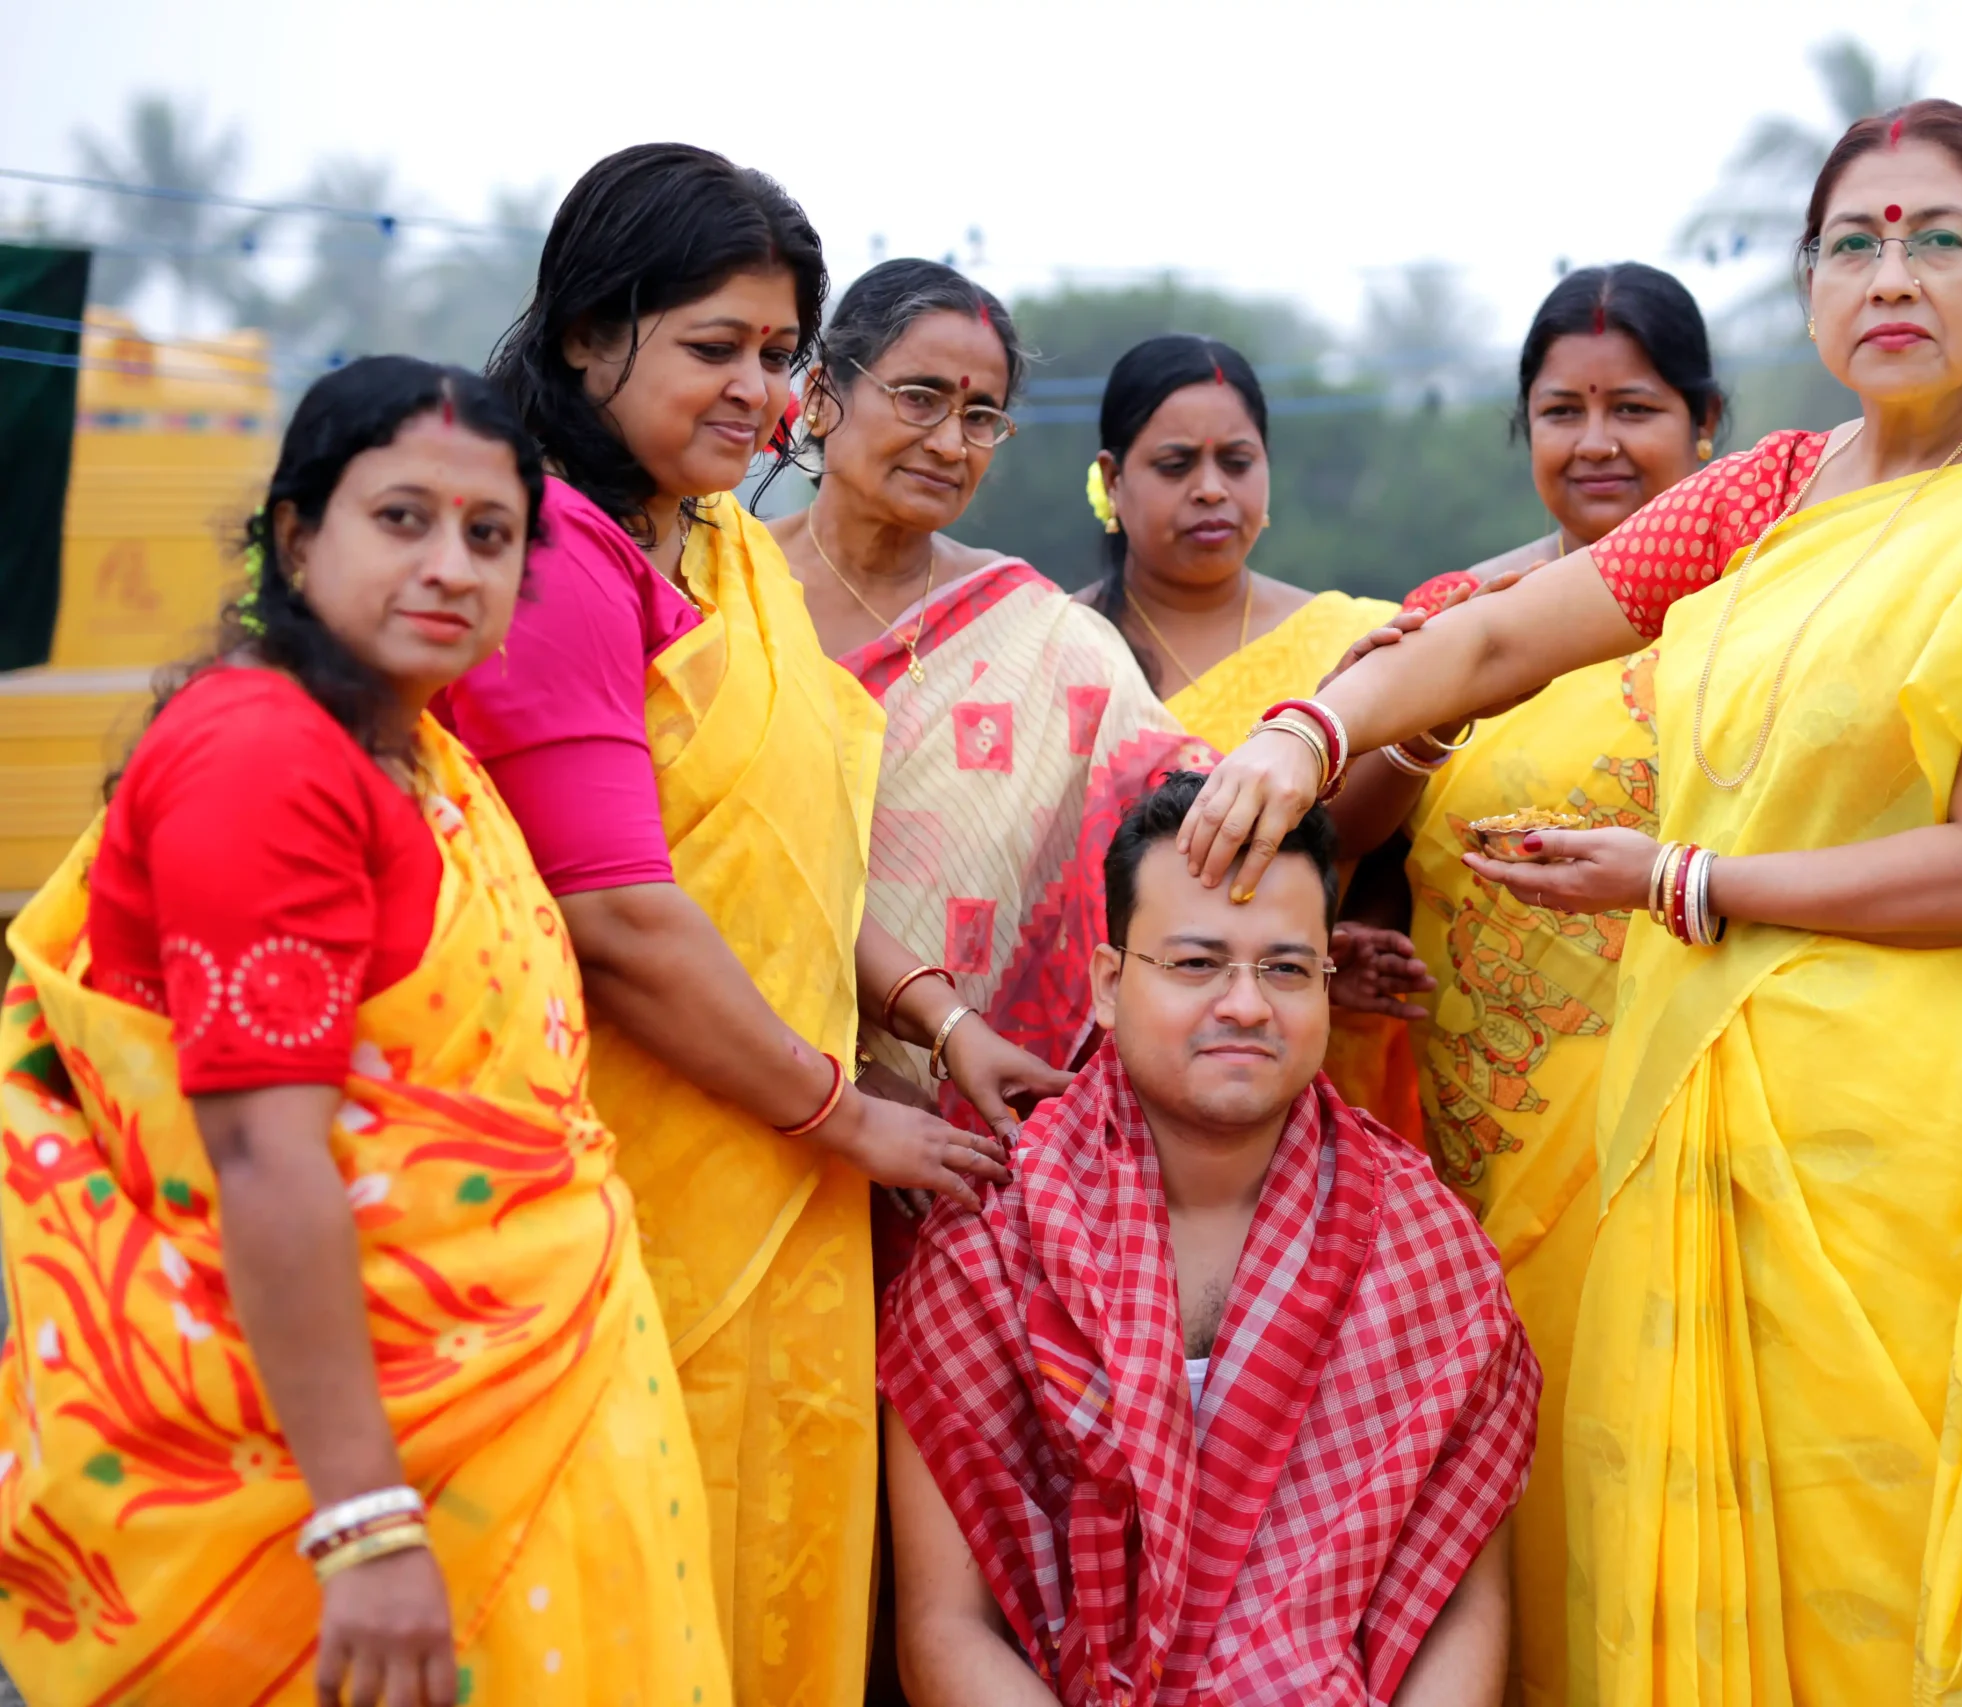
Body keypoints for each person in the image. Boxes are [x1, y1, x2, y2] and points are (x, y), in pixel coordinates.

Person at [1172, 100, 1962, 1701]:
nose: (1891, 276)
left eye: (1939, 240)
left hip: (1914, 1133)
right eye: (1853, 243)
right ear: (1808, 284)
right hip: (1708, 1109)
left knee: (1884, 1588)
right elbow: (1502, 633)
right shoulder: (1774, 486)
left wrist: (1684, 879)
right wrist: (1309, 727)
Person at [0, 357, 728, 1706]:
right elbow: (262, 1156)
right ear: (296, 538)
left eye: (490, 534)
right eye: (402, 518)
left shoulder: (416, 753)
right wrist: (366, 1523)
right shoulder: (264, 759)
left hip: (521, 1417)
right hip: (367, 1483)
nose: (450, 564)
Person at [435, 145, 1041, 1704]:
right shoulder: (553, 557)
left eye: (779, 354)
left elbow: (777, 863)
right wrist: (849, 1115)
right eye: (715, 345)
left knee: (765, 1573)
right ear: (589, 332)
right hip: (628, 1183)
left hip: (774, 1163)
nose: (758, 391)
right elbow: (621, 917)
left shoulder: (708, 547)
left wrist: (937, 1020)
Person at [1321, 261, 1749, 1707]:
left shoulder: (1773, 618)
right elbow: (1338, 841)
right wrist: (1441, 705)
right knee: (1523, 1507)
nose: (1598, 442)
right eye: (1563, 410)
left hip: (1719, 1152)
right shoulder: (1464, 615)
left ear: (1706, 425)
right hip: (1489, 1174)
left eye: (1637, 408)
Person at [879, 772, 1539, 1707]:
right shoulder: (990, 1243)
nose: (1246, 1005)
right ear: (1110, 984)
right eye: (1197, 964)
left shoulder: (1424, 1250)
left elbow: (1464, 1606)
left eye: (1286, 968)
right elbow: (945, 1629)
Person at [769, 260, 1207, 1101]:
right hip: (725, 1059)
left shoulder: (1042, 635)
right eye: (919, 398)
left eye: (980, 416)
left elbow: (1187, 808)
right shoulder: (723, 588)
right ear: (821, 396)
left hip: (960, 1114)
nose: (949, 443)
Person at [1076, 336, 1427, 1136]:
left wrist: (1317, 950)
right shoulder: (1051, 649)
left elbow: (1392, 861)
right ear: (1111, 479)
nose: (1211, 489)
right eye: (1175, 464)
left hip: (1318, 1052)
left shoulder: (1354, 639)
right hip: (1097, 1069)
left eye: (1236, 462)